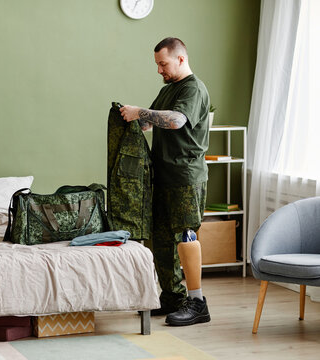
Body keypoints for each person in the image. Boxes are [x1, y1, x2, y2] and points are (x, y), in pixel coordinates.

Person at [119, 37, 211, 326]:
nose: (159, 70)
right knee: (160, 240)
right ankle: (172, 297)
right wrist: (131, 118)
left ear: (181, 59)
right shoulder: (168, 91)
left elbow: (177, 121)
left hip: (185, 177)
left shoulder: (193, 88)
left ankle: (197, 303)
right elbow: (151, 123)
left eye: (163, 64)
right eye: (157, 64)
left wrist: (140, 112)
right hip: (163, 176)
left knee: (186, 236)